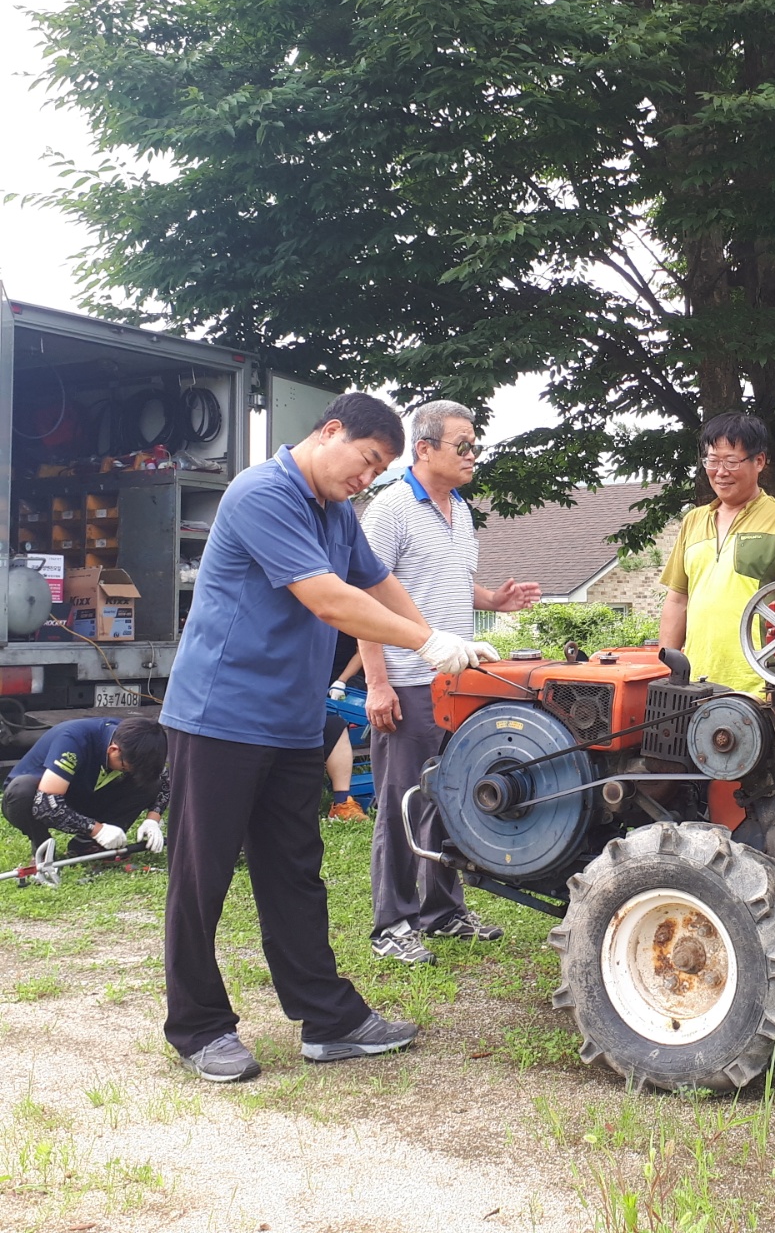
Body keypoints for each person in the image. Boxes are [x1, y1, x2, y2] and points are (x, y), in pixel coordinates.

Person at [159, 392, 487, 1084]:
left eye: (379, 472)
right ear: (330, 431)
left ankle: (329, 1020)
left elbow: (380, 582)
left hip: (290, 721)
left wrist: (443, 634)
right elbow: (330, 600)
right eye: (366, 462)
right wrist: (427, 644)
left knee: (294, 871)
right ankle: (197, 1027)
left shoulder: (338, 514)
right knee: (202, 875)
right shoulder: (261, 494)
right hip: (220, 716)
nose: (366, 480)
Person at [359, 400, 541, 965]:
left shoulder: (460, 511)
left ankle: (443, 913)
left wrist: (492, 600)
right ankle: (393, 923)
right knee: (401, 802)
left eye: (476, 445)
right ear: (425, 449)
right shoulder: (389, 510)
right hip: (408, 680)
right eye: (463, 445)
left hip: (457, 684)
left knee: (449, 797)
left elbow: (450, 587)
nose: (473, 455)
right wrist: (377, 684)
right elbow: (363, 597)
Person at [659, 412, 775, 696]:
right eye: (712, 460)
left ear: (759, 461)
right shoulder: (693, 521)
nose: (720, 471)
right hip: (694, 684)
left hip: (759, 684)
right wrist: (668, 673)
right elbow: (677, 600)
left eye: (731, 461)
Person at [2, 716, 168, 857]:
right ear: (113, 750)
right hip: (39, 798)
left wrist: (153, 820)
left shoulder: (136, 741)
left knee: (151, 782)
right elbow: (46, 806)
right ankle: (42, 845)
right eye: (125, 768)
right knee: (22, 791)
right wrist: (97, 829)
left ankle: (86, 844)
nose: (128, 772)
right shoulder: (73, 739)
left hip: (85, 792)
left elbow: (164, 780)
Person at [325, 644, 367, 821]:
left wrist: (341, 681)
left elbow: (362, 649)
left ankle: (343, 803)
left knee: (335, 725)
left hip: (345, 685)